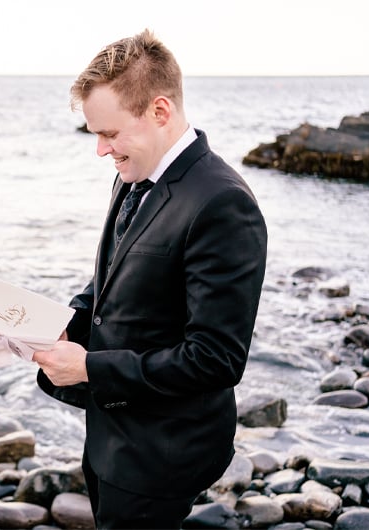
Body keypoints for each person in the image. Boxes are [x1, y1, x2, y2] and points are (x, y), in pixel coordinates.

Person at [33, 29, 268, 529]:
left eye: (111, 134)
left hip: (162, 450)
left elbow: (216, 359)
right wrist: (60, 323)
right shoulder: (133, 174)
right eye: (96, 134)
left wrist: (92, 368)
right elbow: (112, 281)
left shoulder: (223, 203)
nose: (101, 150)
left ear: (160, 111)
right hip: (112, 432)